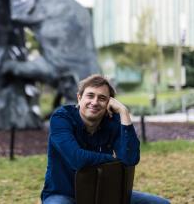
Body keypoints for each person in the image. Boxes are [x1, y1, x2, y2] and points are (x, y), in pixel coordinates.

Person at [41, 74, 170, 204]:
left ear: (109, 103)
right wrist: (114, 161)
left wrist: (123, 112)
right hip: (64, 194)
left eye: (102, 98)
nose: (95, 102)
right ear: (79, 98)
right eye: (90, 95)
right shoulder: (62, 118)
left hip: (104, 192)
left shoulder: (111, 121)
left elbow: (131, 159)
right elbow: (76, 159)